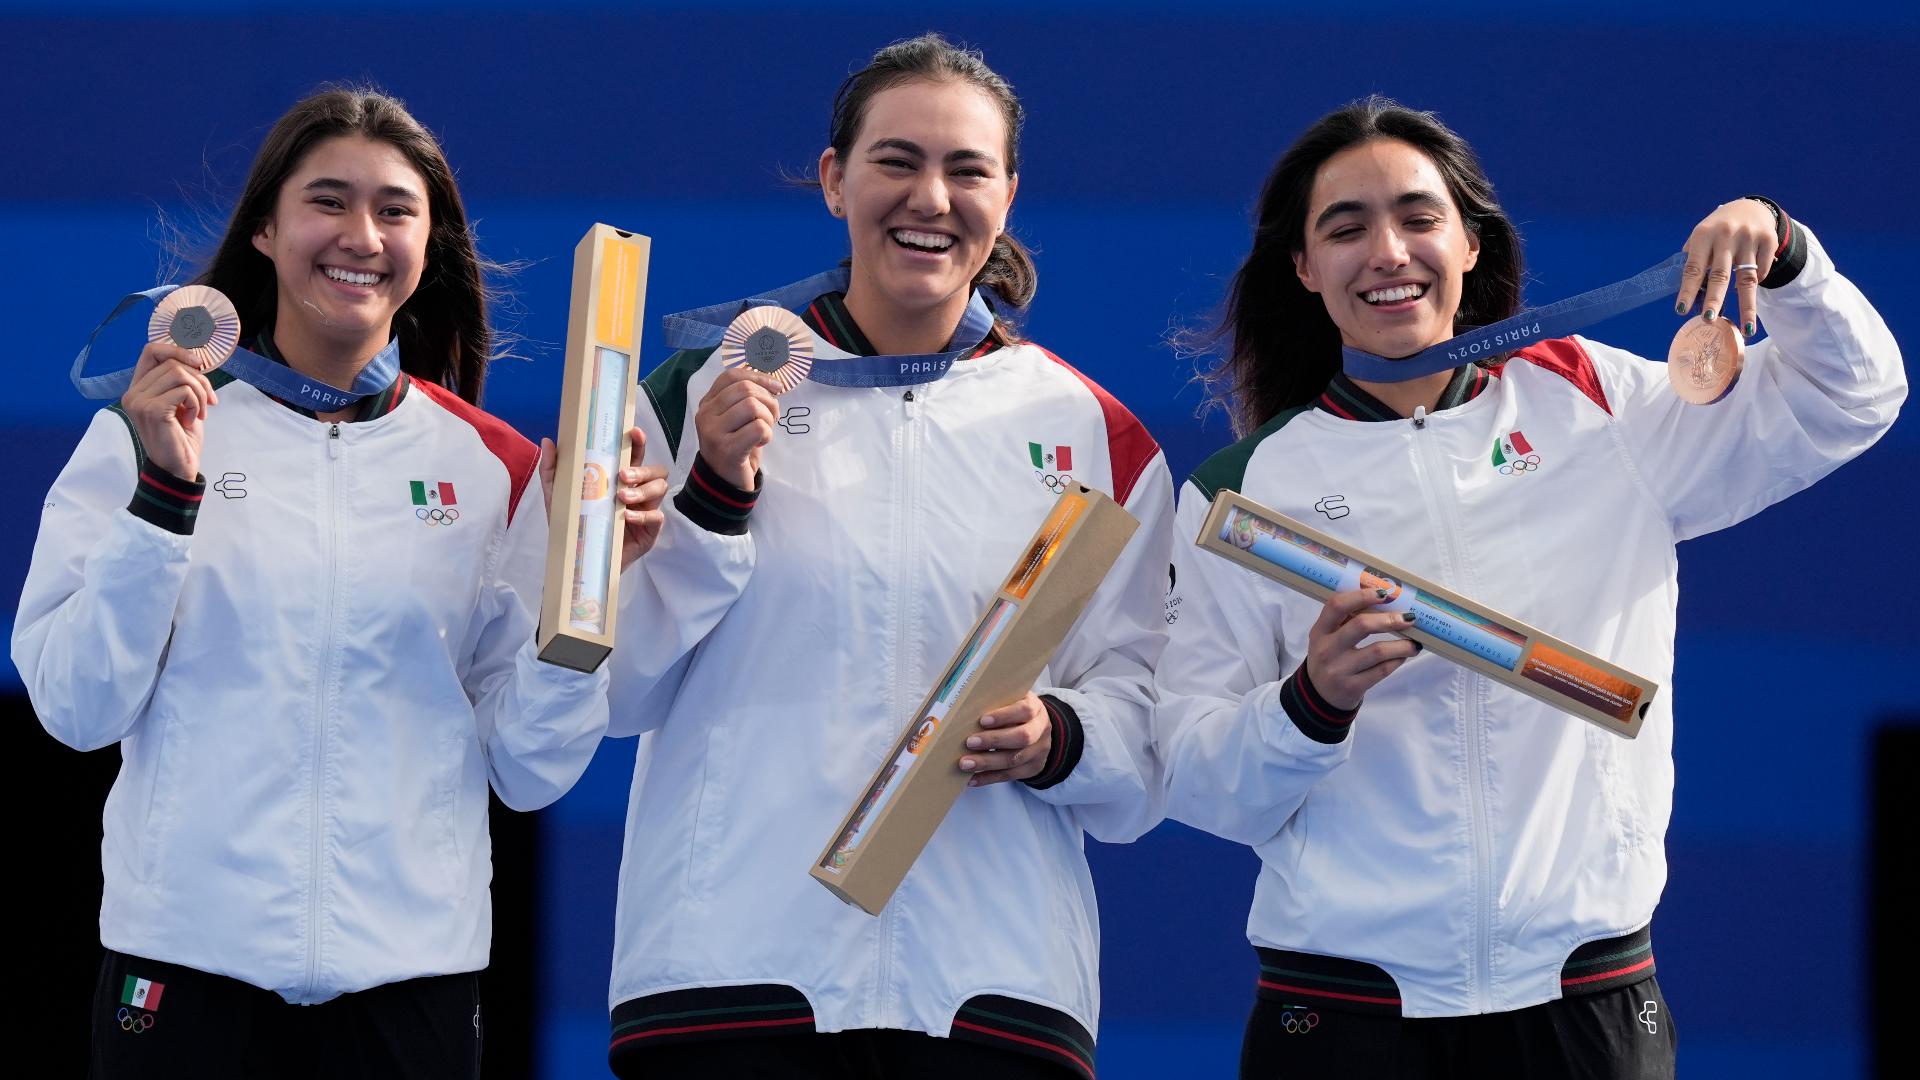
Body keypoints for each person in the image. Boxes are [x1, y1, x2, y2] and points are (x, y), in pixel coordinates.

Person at [1153, 96, 1903, 1079]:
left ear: (1470, 243)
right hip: (1343, 1014)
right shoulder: (1238, 493)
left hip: (1586, 1003)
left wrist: (1789, 255)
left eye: (1419, 218)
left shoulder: (1597, 403)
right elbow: (1196, 776)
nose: (1388, 251)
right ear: (1302, 268)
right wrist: (1310, 703)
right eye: (1346, 228)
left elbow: (1849, 399)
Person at [14, 87, 748, 1079]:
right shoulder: (145, 434)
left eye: (396, 210)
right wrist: (162, 499)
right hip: (182, 973)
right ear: (267, 229)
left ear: (428, 245)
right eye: (328, 200)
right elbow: (75, 707)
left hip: (412, 990)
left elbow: (530, 769)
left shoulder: (494, 468)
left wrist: (591, 593)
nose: (361, 235)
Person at [600, 34, 1172, 1080]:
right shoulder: (697, 391)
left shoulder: (1093, 432)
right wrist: (716, 493)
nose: (931, 197)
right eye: (897, 161)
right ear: (834, 179)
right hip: (733, 977)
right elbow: (613, 688)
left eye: (967, 170)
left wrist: (1062, 736)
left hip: (990, 989)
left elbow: (1147, 736)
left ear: (1008, 194)